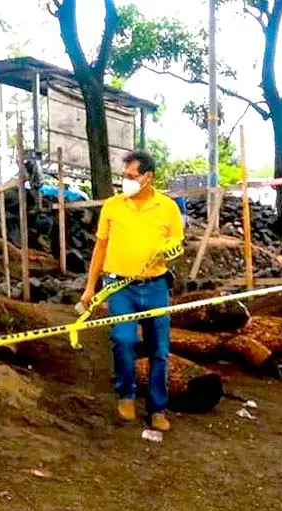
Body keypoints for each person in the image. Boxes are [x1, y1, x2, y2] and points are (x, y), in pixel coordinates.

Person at [79, 151, 184, 432]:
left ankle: (157, 408)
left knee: (159, 349)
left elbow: (178, 243)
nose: (125, 181)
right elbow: (100, 248)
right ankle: (126, 394)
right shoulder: (113, 206)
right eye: (123, 176)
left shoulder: (168, 207)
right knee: (123, 340)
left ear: (148, 177)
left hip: (156, 286)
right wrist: (90, 288)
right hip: (119, 287)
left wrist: (168, 250)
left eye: (131, 176)